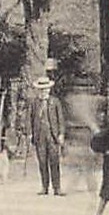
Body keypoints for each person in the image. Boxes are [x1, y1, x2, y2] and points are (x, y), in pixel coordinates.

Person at [28, 69, 66, 197]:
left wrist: (61, 134)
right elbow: (30, 119)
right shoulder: (34, 103)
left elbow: (60, 119)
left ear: (49, 89)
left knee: (54, 162)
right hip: (39, 136)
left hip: (52, 136)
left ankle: (57, 188)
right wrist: (30, 133)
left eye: (46, 89)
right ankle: (44, 187)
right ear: (38, 90)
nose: (43, 91)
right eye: (41, 89)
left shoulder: (55, 102)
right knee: (42, 162)